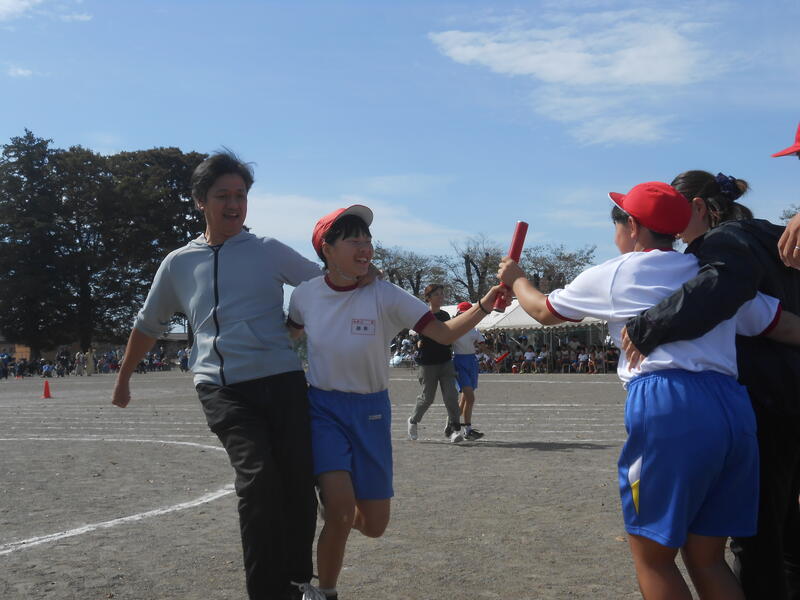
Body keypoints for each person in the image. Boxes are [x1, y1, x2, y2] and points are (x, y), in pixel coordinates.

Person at [498, 181, 800, 599]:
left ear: (634, 227)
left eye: (617, 222)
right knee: (708, 560)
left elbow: (541, 309)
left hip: (670, 406)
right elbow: (784, 326)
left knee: (654, 559)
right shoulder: (709, 271)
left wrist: (515, 278)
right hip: (733, 408)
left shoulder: (616, 273)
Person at [111, 151, 351, 600]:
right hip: (222, 388)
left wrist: (359, 270)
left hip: (282, 380)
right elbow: (148, 324)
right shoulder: (179, 263)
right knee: (259, 480)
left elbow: (325, 285)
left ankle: (299, 583)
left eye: (240, 195)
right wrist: (124, 378)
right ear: (200, 200)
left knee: (298, 481)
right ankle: (265, 592)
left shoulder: (268, 250)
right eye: (223, 195)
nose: (234, 204)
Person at [287, 205, 506, 600]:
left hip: (371, 411)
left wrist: (485, 304)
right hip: (323, 410)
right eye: (353, 241)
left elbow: (444, 333)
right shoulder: (305, 295)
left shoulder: (385, 294)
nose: (365, 248)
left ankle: (335, 512)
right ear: (327, 249)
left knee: (374, 525)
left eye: (368, 240)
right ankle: (325, 591)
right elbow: (289, 335)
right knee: (340, 510)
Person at [621, 169, 800, 599]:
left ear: (699, 208)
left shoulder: (722, 242)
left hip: (762, 398)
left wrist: (648, 326)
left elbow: (722, 287)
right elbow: (780, 321)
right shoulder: (770, 234)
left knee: (758, 538)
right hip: (789, 392)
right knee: (788, 530)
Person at [406, 284, 465, 443]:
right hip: (427, 363)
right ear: (428, 298)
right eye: (437, 294)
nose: (441, 297)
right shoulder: (422, 315)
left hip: (446, 361)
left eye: (442, 294)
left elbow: (450, 333)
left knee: (451, 396)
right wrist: (418, 341)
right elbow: (416, 334)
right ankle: (413, 421)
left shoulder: (445, 315)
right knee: (427, 398)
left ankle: (454, 430)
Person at [451, 301, 486, 440]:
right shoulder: (453, 329)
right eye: (462, 314)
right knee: (470, 397)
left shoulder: (474, 330)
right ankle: (463, 428)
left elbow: (482, 345)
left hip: (472, 362)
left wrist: (491, 356)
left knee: (465, 399)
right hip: (459, 362)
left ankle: (455, 425)